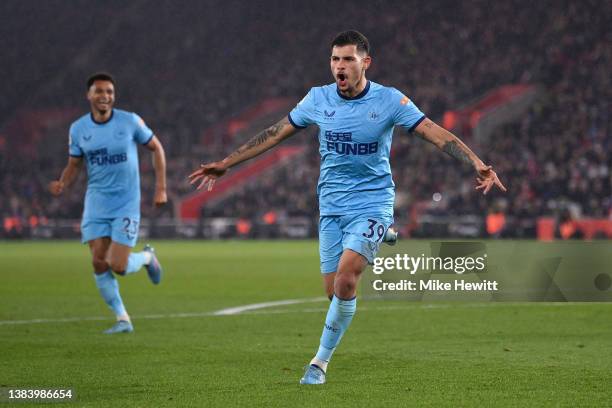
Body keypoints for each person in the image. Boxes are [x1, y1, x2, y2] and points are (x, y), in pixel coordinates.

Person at [188, 30, 506, 384]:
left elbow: (433, 132)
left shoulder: (389, 101)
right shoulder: (317, 99)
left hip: (373, 201)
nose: (339, 66)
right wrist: (228, 162)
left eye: (347, 59)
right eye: (335, 59)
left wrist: (475, 161)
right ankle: (381, 235)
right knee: (333, 292)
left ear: (365, 63)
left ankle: (318, 364)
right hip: (331, 206)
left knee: (346, 279)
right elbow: (275, 133)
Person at [50, 72, 167, 334]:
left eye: (110, 92)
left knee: (119, 266)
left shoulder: (130, 121)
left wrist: (161, 188)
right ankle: (122, 318)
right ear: (89, 95)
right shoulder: (78, 129)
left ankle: (148, 258)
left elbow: (157, 148)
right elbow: (74, 165)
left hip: (126, 204)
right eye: (100, 91)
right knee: (98, 262)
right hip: (96, 203)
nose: (105, 96)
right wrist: (62, 183)